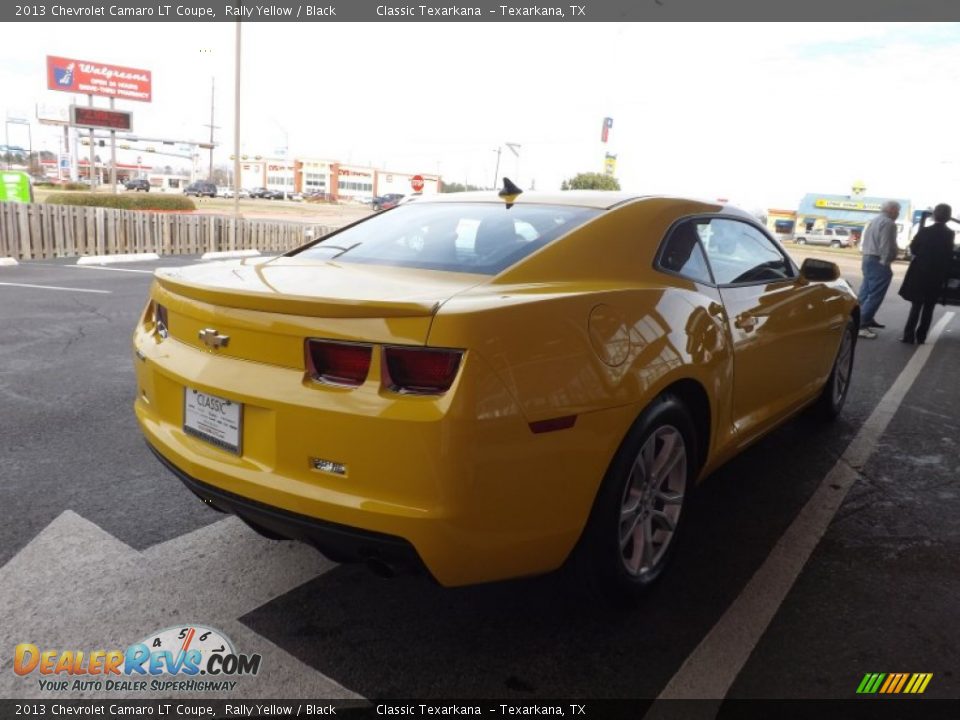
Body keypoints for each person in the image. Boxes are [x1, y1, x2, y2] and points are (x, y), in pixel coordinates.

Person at [899, 203, 956, 344]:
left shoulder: (925, 231)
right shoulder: (950, 234)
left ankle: (908, 336)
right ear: (948, 217)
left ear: (934, 215)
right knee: (929, 307)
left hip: (920, 273)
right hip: (936, 275)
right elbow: (948, 254)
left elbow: (913, 248)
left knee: (916, 306)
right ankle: (921, 337)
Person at [857, 200, 901, 339]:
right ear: (892, 210)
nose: (898, 214)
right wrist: (886, 262)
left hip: (868, 258)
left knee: (865, 292)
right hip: (878, 261)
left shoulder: (874, 220)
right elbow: (886, 245)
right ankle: (862, 325)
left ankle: (860, 319)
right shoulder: (889, 223)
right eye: (898, 211)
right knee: (875, 295)